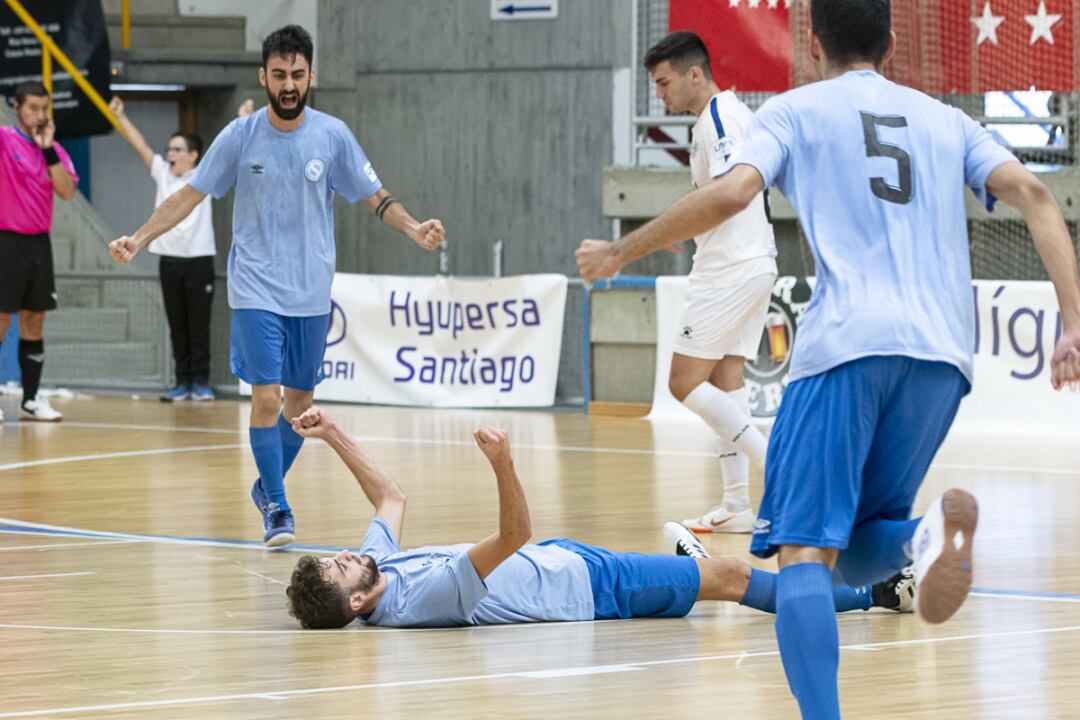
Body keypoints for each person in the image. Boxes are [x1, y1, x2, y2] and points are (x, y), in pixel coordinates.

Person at [576, 0, 1080, 716]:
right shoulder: (948, 120)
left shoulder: (793, 110)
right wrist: (1072, 321)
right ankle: (926, 535)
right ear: (893, 45)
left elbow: (733, 192)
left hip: (846, 343)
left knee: (804, 558)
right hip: (942, 356)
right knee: (866, 550)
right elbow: (1035, 193)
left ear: (813, 46)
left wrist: (622, 249)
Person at [106, 25, 446, 547]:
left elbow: (375, 196)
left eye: (299, 75)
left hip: (310, 294)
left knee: (300, 404)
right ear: (263, 76)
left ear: (312, 76)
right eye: (280, 75)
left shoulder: (332, 136)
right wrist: (141, 237)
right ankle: (279, 508)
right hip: (255, 289)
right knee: (265, 398)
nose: (289, 85)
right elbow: (189, 196)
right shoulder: (239, 137)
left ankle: (265, 486)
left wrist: (413, 225)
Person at [283, 406, 913, 630]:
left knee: (709, 578)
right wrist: (503, 463)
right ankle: (875, 592)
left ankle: (682, 575)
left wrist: (333, 432)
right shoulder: (421, 598)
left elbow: (389, 498)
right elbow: (511, 536)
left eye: (338, 558)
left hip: (567, 559)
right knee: (731, 579)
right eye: (340, 570)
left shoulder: (378, 569)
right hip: (593, 588)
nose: (344, 555)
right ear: (360, 603)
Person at [631, 30, 779, 533]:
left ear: (695, 74)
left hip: (730, 268)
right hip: (750, 260)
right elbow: (719, 192)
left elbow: (728, 194)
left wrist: (676, 225)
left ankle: (781, 471)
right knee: (725, 379)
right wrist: (684, 223)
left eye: (665, 82)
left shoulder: (718, 118)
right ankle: (738, 505)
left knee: (682, 382)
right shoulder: (726, 116)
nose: (661, 94)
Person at [109, 95, 218, 402]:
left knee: (199, 325)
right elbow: (140, 146)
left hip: (199, 259)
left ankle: (201, 383)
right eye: (169, 149)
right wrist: (120, 117)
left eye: (177, 149)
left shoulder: (203, 177)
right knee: (177, 324)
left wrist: (241, 115)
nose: (170, 154)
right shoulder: (162, 174)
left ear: (194, 155)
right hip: (169, 260)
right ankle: (182, 382)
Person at [0, 82, 79, 423]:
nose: (39, 115)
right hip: (5, 240)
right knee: (1, 319)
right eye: (32, 108)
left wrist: (47, 149)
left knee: (34, 320)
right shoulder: (4, 139)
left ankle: (30, 400)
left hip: (38, 244)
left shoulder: (55, 150)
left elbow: (66, 191)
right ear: (16, 107)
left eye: (44, 108)